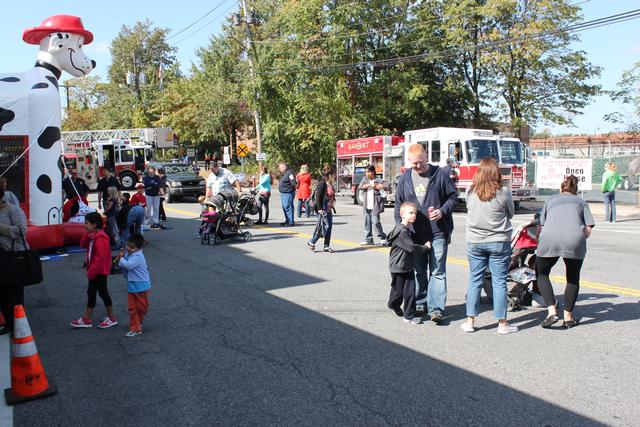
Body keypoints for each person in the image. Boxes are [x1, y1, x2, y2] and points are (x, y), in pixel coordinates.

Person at [394, 143, 457, 323]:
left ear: (426, 157)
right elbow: (399, 205)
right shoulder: (405, 178)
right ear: (409, 161)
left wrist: (442, 211)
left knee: (438, 271)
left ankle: (437, 309)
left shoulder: (440, 175)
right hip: (415, 235)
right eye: (414, 164)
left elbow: (453, 197)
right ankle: (420, 302)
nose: (418, 166)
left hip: (438, 233)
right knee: (419, 271)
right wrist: (401, 227)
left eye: (421, 162)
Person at [461, 157, 518, 335]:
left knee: (475, 280)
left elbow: (469, 210)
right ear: (496, 172)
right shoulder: (503, 192)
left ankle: (470, 321)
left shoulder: (470, 192)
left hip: (475, 240)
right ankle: (502, 323)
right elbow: (511, 214)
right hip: (499, 240)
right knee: (499, 281)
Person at [536, 175, 595, 329]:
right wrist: (580, 238)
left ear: (561, 188)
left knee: (542, 273)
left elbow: (541, 225)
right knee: (573, 278)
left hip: (550, 238)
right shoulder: (581, 202)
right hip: (574, 239)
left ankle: (551, 312)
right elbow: (588, 228)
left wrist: (538, 239)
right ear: (575, 190)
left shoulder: (550, 200)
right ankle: (568, 317)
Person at [387, 202, 432, 325]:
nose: (414, 215)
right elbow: (412, 248)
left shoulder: (406, 230)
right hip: (398, 267)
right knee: (398, 291)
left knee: (409, 291)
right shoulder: (402, 232)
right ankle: (393, 304)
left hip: (407, 266)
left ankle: (409, 315)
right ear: (402, 214)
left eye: (415, 213)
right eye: (410, 213)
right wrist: (425, 247)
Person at [71, 212, 117, 329]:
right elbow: (82, 245)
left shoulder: (101, 238)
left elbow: (100, 258)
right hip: (95, 270)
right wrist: (87, 234)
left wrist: (92, 272)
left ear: (94, 225)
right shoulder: (93, 235)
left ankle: (110, 317)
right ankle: (88, 318)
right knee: (92, 293)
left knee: (102, 292)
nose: (84, 225)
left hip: (99, 271)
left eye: (87, 223)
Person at [0, 186, 28, 335]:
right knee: (3, 294)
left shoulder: (13, 210)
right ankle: (9, 323)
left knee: (15, 294)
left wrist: (2, 228)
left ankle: (19, 325)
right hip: (2, 257)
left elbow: (22, 230)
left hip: (13, 256)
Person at [115, 233, 151, 337]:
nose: (129, 248)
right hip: (132, 285)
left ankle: (138, 323)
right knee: (133, 308)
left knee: (141, 308)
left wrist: (121, 258)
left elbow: (129, 265)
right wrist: (120, 257)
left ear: (138, 248)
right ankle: (135, 328)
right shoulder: (129, 253)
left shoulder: (138, 256)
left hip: (142, 286)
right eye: (128, 245)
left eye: (132, 247)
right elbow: (123, 263)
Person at [308, 165, 336, 252]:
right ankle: (312, 241)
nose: (335, 177)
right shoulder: (322, 183)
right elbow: (318, 197)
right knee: (322, 227)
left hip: (329, 209)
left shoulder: (329, 184)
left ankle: (326, 245)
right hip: (323, 209)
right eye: (334, 175)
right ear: (330, 175)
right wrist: (320, 209)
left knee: (329, 227)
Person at [358, 165, 387, 246]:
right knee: (367, 223)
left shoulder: (378, 180)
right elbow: (360, 186)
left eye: (369, 172)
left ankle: (383, 238)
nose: (367, 174)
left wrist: (381, 186)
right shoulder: (365, 179)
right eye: (366, 172)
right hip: (366, 205)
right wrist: (370, 185)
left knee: (376, 222)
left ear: (373, 172)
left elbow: (386, 185)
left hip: (375, 206)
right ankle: (368, 239)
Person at [278, 162, 297, 226]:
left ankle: (291, 221)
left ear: (285, 167)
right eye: (279, 167)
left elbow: (293, 183)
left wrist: (293, 190)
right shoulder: (284, 174)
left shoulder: (289, 173)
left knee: (288, 207)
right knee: (284, 207)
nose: (280, 169)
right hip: (283, 193)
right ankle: (287, 220)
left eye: (281, 167)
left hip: (288, 193)